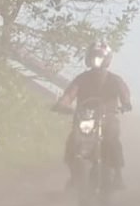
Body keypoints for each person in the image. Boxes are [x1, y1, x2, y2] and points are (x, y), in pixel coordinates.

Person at [52, 42, 132, 190]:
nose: (96, 60)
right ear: (88, 58)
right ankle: (74, 176)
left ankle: (118, 176)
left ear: (107, 59)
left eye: (100, 56)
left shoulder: (114, 79)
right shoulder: (81, 79)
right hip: (85, 118)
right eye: (94, 56)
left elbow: (124, 93)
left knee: (112, 140)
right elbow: (70, 94)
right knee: (72, 142)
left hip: (108, 118)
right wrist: (62, 104)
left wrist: (126, 103)